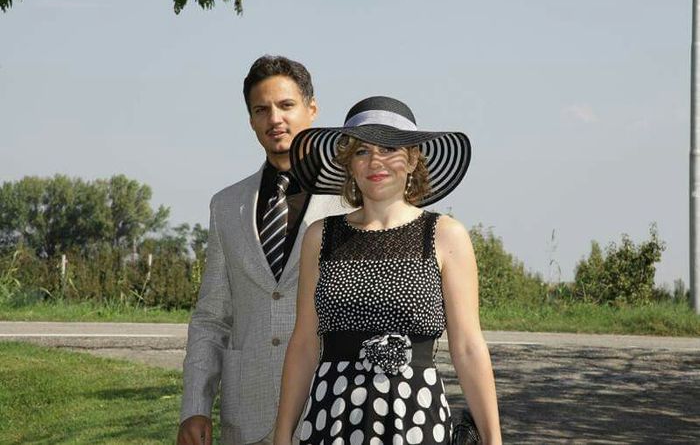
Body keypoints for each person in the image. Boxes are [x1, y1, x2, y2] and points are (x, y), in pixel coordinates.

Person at [274, 96, 502, 444]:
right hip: (332, 418)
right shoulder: (319, 237)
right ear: (349, 164)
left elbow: (468, 347)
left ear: (412, 159)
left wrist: (493, 439)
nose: (375, 161)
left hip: (416, 419)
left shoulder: (445, 235)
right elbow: (304, 343)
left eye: (389, 149)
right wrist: (282, 433)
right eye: (362, 151)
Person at [177, 55, 350, 445]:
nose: (275, 119)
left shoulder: (351, 200)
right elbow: (211, 318)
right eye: (261, 109)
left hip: (329, 410)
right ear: (251, 120)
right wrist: (195, 406)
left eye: (286, 105)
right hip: (247, 415)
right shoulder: (226, 205)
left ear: (312, 108)